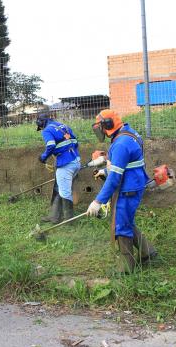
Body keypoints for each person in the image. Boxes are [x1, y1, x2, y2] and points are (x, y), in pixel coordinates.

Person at [86, 109, 157, 273]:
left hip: (128, 189)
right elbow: (125, 165)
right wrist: (106, 171)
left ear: (108, 125)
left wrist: (98, 201)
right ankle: (148, 252)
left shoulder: (120, 144)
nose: (100, 132)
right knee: (126, 220)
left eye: (101, 128)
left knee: (121, 225)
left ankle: (126, 269)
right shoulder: (129, 133)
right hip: (135, 181)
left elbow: (114, 179)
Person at [37, 113, 81, 223]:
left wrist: (43, 158)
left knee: (65, 192)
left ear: (41, 123)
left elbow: (51, 145)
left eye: (40, 127)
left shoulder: (47, 130)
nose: (41, 129)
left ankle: (69, 221)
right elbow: (75, 142)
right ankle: (54, 216)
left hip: (66, 165)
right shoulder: (64, 126)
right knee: (59, 188)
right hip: (76, 161)